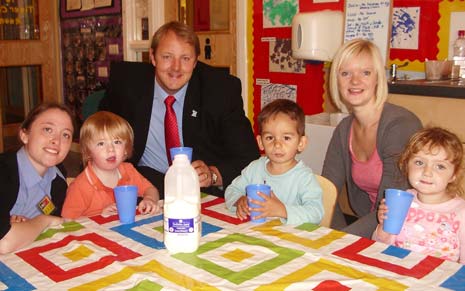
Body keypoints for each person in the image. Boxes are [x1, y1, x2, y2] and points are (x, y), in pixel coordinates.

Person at [99, 21, 259, 198]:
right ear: (152, 57)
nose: (176, 67)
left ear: (196, 61)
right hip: (142, 184)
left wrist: (213, 175)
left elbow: (249, 158)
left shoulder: (220, 91)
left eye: (185, 58)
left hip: (199, 192)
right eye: (167, 57)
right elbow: (96, 137)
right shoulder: (127, 83)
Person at [322, 39, 422, 238]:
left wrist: (340, 241)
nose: (355, 81)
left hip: (411, 229)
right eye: (345, 73)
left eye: (365, 72)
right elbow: (326, 193)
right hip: (373, 227)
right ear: (336, 80)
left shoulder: (400, 126)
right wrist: (333, 235)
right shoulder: (344, 129)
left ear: (378, 78)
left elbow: (392, 209)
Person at [373, 127, 465, 264]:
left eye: (440, 166)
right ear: (406, 165)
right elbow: (379, 245)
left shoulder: (461, 212)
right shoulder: (402, 201)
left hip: (437, 280)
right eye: (419, 162)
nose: (427, 172)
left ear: (454, 175)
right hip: (398, 270)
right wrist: (383, 226)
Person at [225, 99, 324, 225]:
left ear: (301, 143)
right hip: (257, 234)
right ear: (261, 142)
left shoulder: (304, 177)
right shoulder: (255, 168)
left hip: (291, 239)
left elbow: (316, 213)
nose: (277, 144)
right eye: (270, 138)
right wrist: (239, 200)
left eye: (286, 138)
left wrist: (282, 210)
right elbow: (231, 190)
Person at [0, 103, 74, 254]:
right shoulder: (4, 171)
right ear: (24, 135)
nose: (56, 140)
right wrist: (43, 220)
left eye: (65, 134)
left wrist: (26, 227)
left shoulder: (58, 177)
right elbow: (4, 243)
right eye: (48, 130)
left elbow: (54, 222)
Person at [62, 111, 160, 219]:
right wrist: (99, 216)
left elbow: (151, 189)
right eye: (101, 143)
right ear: (88, 151)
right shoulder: (80, 186)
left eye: (117, 142)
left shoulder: (128, 170)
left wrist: (150, 199)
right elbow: (67, 223)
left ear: (126, 149)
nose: (110, 149)